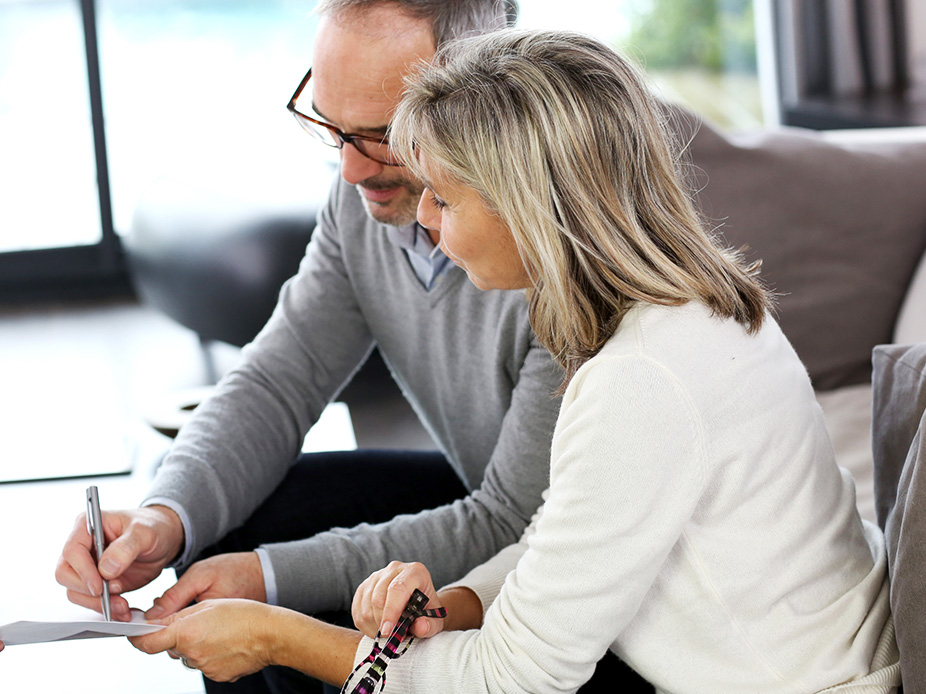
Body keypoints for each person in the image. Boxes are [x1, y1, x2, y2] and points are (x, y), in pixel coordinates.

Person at [129, 29, 901, 693]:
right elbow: (567, 534)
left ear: (532, 207)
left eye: (444, 198)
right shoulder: (687, 310)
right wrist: (458, 602)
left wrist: (276, 635)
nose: (422, 222)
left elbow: (510, 679)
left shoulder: (644, 378)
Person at [56, 2, 579, 693]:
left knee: (266, 589)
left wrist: (268, 578)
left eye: (381, 133)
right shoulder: (365, 201)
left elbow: (516, 521)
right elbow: (280, 378)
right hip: (485, 487)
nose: (352, 169)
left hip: (565, 556)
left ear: (482, 93)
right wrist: (165, 516)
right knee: (225, 530)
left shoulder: (566, 258)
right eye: (331, 126)